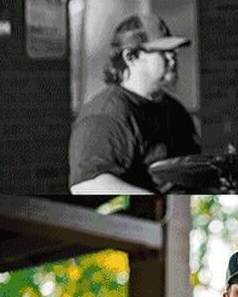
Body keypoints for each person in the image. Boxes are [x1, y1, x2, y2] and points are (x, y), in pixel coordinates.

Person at [69, 13, 200, 193]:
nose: (173, 57)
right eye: (162, 51)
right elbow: (87, 185)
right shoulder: (106, 115)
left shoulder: (175, 109)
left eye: (174, 50)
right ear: (130, 57)